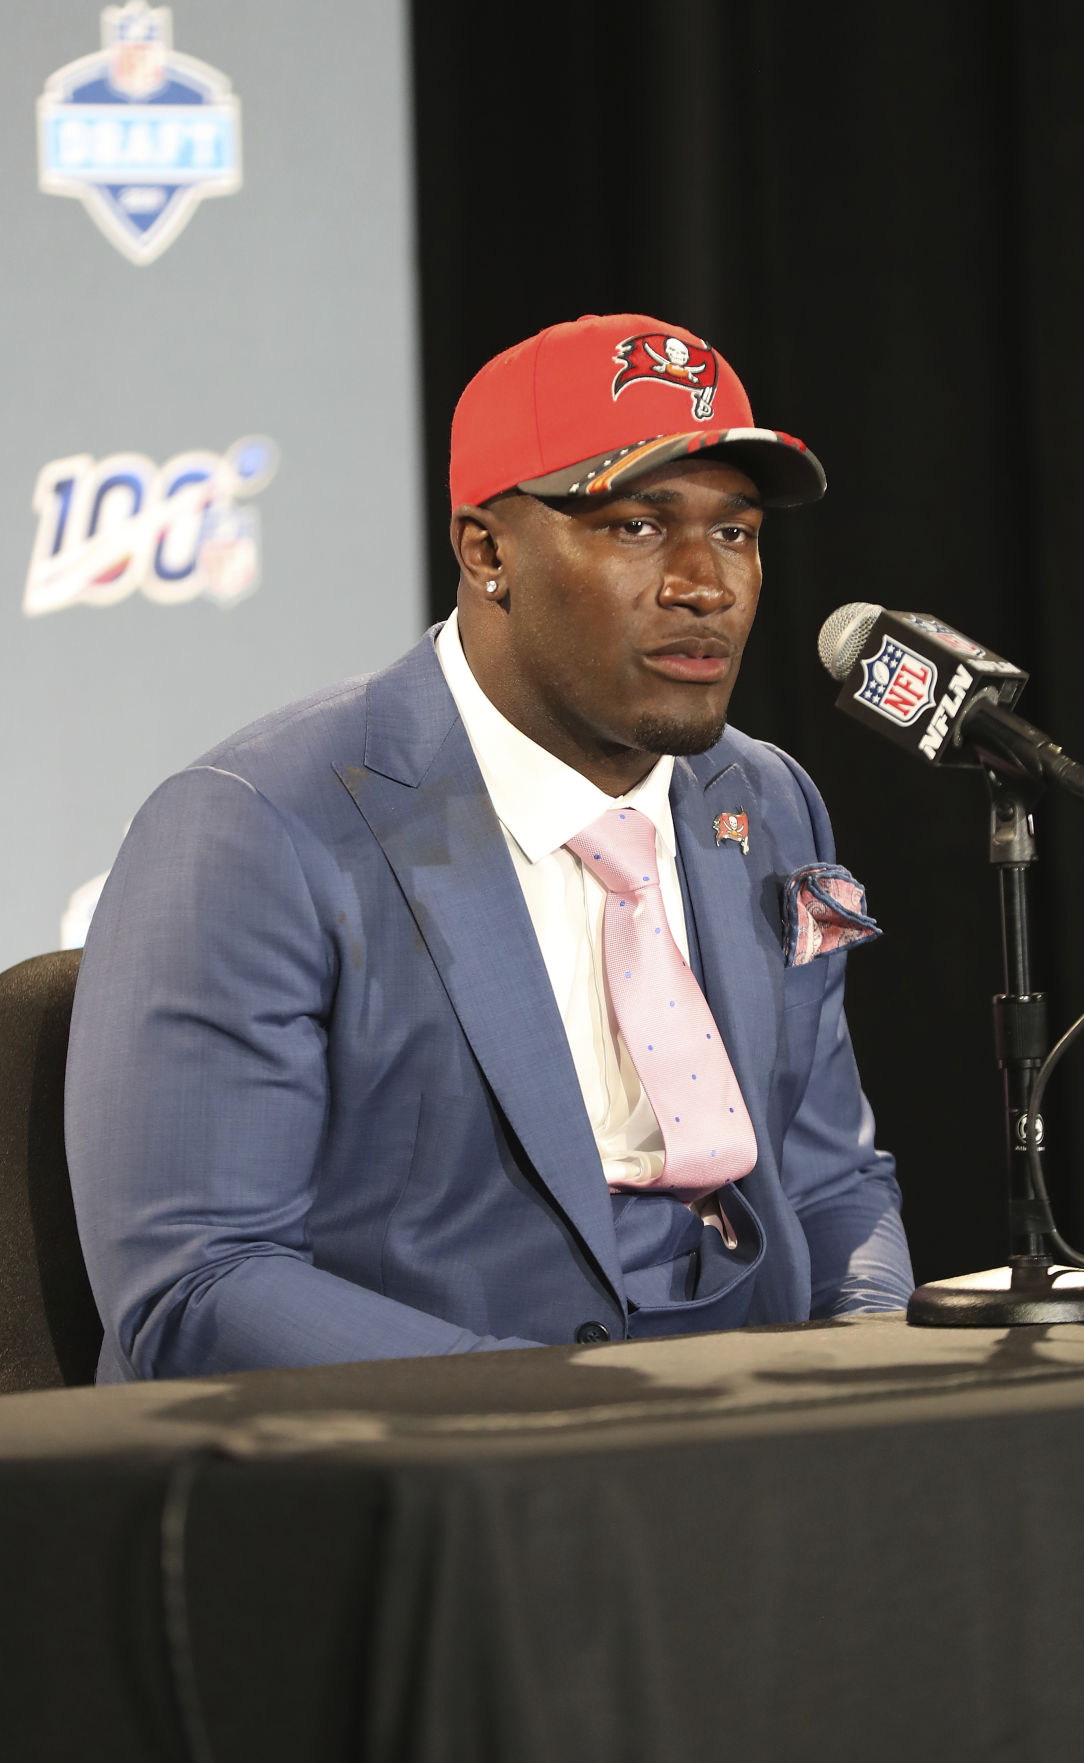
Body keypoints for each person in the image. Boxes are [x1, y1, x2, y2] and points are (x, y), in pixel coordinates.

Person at [65, 313, 914, 1382]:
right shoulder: (255, 826)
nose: (705, 583)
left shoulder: (763, 798)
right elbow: (197, 1283)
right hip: (437, 1468)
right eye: (637, 527)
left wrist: (874, 1361)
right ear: (487, 550)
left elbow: (829, 1176)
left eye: (734, 532)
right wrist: (567, 1414)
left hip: (744, 1440)